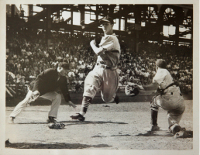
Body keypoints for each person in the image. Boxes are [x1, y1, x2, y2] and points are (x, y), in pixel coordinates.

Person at [70, 16, 121, 121]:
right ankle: (82, 113)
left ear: (112, 25)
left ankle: (113, 96)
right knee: (90, 85)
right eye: (102, 24)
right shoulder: (105, 37)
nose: (103, 26)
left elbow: (98, 51)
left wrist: (92, 44)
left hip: (110, 71)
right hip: (98, 68)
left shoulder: (112, 38)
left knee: (106, 99)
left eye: (106, 24)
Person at [9, 62, 76, 123]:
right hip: (35, 89)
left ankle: (51, 117)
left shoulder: (63, 78)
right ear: (60, 68)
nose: (67, 72)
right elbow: (38, 79)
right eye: (65, 70)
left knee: (57, 96)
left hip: (46, 92)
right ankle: (12, 116)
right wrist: (36, 90)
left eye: (68, 70)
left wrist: (68, 100)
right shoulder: (50, 71)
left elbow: (64, 89)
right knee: (26, 101)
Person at [142, 59, 185, 135]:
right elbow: (158, 90)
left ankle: (154, 125)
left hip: (170, 99)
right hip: (180, 101)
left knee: (153, 101)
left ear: (157, 66)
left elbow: (154, 86)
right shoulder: (168, 75)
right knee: (172, 119)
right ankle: (174, 126)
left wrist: (141, 87)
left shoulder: (161, 71)